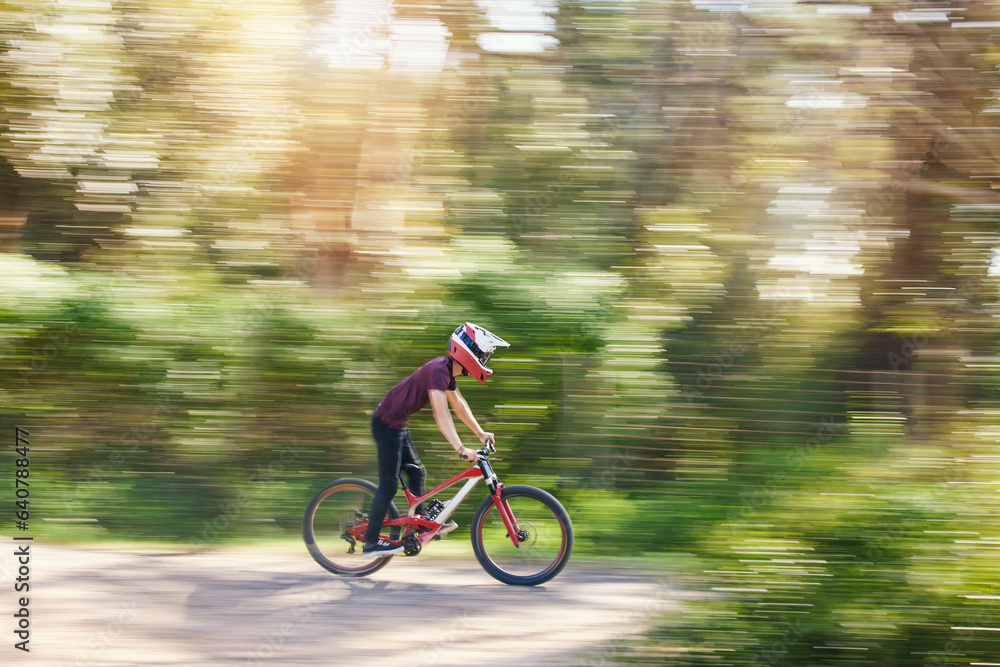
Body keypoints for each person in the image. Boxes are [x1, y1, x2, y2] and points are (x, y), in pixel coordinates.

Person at [362, 322, 509, 558]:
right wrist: (460, 448)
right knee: (388, 485)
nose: (485, 360)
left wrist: (480, 433)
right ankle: (370, 543)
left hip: (396, 424)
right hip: (385, 424)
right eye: (483, 355)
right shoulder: (440, 371)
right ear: (469, 353)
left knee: (417, 473)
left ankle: (418, 527)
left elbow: (458, 405)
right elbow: (441, 414)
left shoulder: (447, 371)